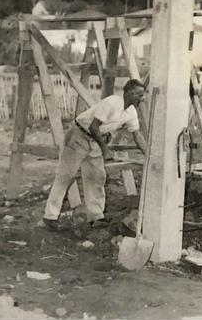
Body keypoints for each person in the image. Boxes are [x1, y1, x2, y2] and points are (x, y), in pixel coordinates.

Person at [43, 79, 148, 229]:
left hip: (96, 141)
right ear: (129, 93)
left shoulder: (131, 112)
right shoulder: (112, 103)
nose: (142, 98)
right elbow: (93, 127)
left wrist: (149, 155)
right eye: (139, 95)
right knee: (66, 175)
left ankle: (95, 216)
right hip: (79, 136)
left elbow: (137, 135)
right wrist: (105, 149)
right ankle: (50, 216)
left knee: (96, 177)